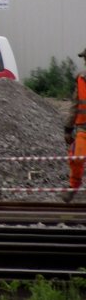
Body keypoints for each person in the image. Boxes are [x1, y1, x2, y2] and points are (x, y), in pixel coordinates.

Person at [62, 48, 86, 203]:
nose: (85, 61)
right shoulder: (81, 78)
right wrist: (68, 129)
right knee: (76, 158)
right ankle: (73, 188)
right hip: (83, 128)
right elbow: (74, 105)